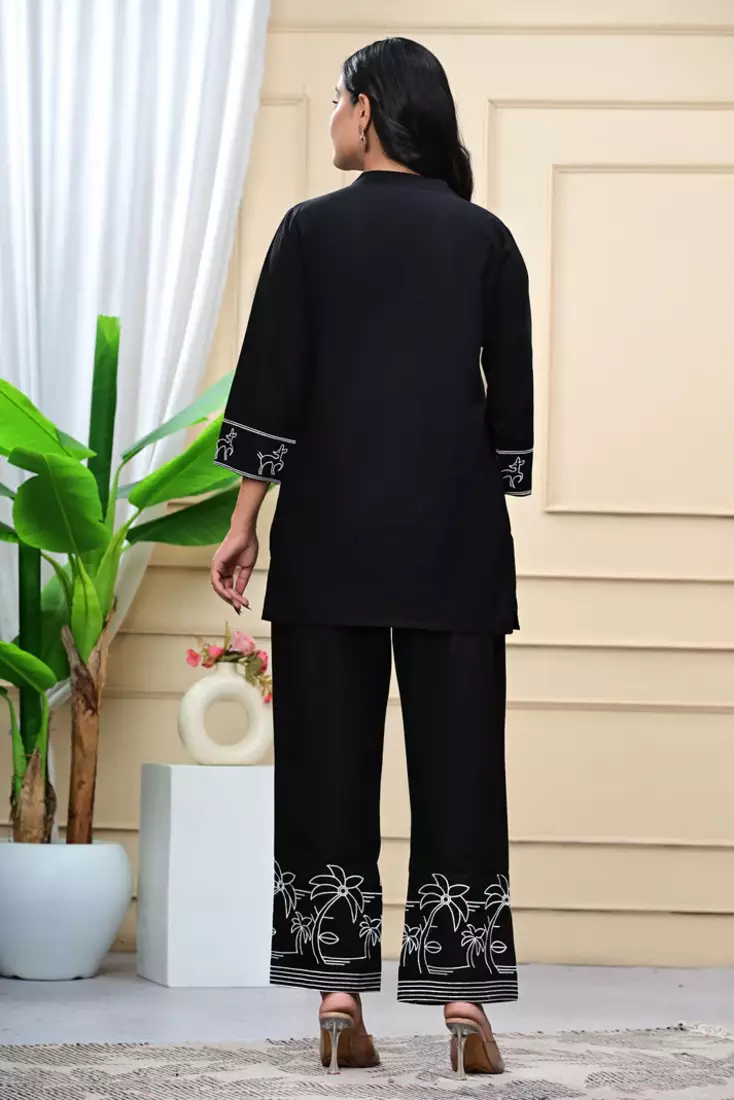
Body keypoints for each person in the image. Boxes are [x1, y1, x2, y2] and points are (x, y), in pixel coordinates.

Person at [211, 36, 533, 1080]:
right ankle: (462, 1005)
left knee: (326, 767)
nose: (333, 118)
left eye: (339, 100)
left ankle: (338, 999)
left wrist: (243, 520)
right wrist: (480, 475)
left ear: (368, 111)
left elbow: (272, 384)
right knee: (461, 768)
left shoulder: (309, 231)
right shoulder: (485, 239)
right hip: (453, 542)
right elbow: (511, 418)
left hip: (329, 538)